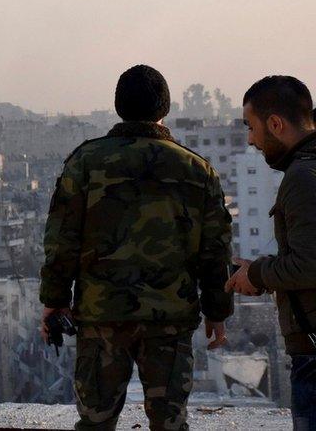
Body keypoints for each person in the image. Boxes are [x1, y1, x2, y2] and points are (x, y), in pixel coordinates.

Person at [40, 65, 233, 431]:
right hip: (170, 318)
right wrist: (217, 312)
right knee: (170, 423)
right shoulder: (197, 170)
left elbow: (61, 241)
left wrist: (54, 301)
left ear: (118, 107)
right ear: (164, 109)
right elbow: (215, 251)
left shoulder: (85, 163)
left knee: (95, 422)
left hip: (101, 316)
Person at [226, 76, 316, 429]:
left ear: (275, 124)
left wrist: (258, 274)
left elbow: (310, 263)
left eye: (252, 127)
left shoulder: (303, 176)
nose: (251, 139)